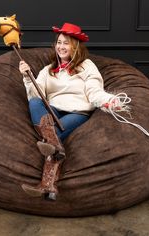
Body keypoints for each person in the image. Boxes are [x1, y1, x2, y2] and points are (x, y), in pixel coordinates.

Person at [19, 22, 121, 201]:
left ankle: (48, 184)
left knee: (52, 136)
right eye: (59, 42)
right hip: (52, 111)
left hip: (77, 112)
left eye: (66, 43)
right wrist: (27, 77)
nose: (61, 46)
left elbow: (94, 90)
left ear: (75, 46)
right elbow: (36, 95)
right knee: (36, 104)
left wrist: (108, 101)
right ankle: (51, 171)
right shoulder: (48, 70)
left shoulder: (87, 66)